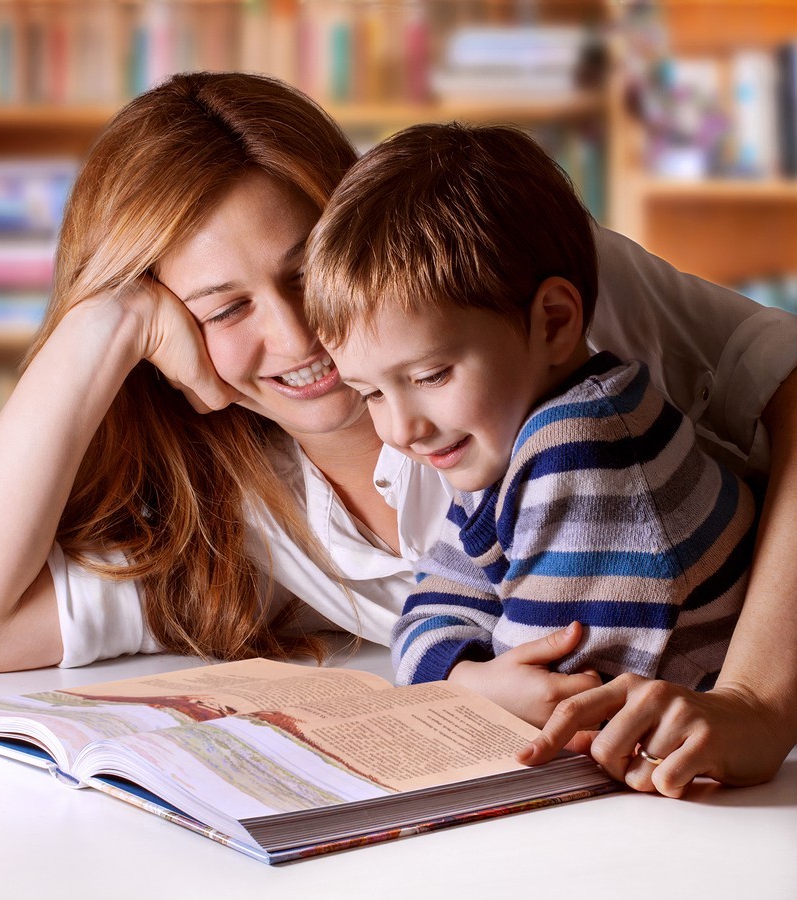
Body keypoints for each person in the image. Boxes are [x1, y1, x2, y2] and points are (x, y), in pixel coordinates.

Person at [0, 72, 797, 798]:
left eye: (305, 272)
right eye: (224, 308)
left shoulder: (505, 281)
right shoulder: (237, 511)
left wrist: (758, 699)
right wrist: (103, 326)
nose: (298, 339)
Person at [302, 122, 756, 732]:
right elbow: (431, 607)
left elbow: (558, 697)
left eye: (432, 374)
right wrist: (467, 677)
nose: (401, 429)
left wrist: (466, 684)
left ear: (555, 321)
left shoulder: (587, 446)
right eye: (370, 394)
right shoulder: (501, 443)